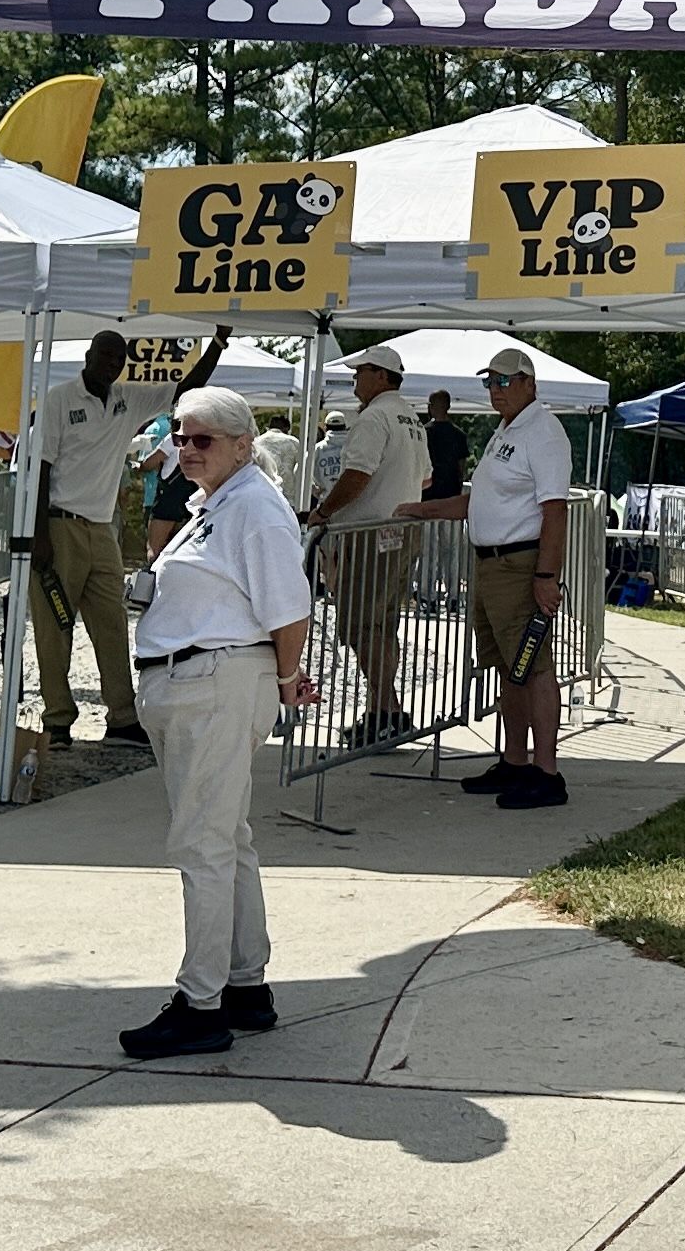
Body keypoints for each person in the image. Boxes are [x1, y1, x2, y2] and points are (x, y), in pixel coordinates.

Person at [118, 388, 321, 1059]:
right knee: (225, 838)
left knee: (203, 843)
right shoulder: (218, 505)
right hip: (198, 681)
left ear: (242, 443)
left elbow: (289, 609)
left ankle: (200, 1001)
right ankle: (243, 983)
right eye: (180, 436)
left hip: (216, 682)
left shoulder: (254, 509)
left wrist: (289, 679)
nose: (186, 449)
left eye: (202, 438)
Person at [399, 344, 574, 807]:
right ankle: (516, 762)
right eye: (488, 382)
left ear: (528, 384)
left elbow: (555, 511)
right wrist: (426, 509)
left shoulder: (544, 432)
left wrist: (546, 575)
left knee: (534, 668)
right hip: (492, 563)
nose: (494, 391)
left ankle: (546, 772)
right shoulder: (506, 431)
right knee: (507, 667)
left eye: (502, 381)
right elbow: (480, 501)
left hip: (519, 563)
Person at [30, 329, 191, 756]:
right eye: (105, 353)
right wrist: (38, 533)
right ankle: (57, 720)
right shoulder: (60, 400)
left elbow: (187, 387)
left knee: (112, 624)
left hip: (102, 529)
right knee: (54, 627)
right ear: (88, 354)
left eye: (119, 356)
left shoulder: (127, 400)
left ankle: (122, 717)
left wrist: (218, 343)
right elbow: (40, 469)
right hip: (59, 525)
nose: (112, 362)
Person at [306, 347, 432, 741]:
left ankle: (385, 711)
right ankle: (383, 710)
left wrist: (324, 511)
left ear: (380, 375)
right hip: (402, 528)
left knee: (363, 625)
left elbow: (357, 474)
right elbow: (426, 478)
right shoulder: (410, 417)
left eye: (359, 373)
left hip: (371, 534)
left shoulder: (375, 417)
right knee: (382, 625)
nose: (355, 380)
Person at [420, 386, 469, 501]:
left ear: (431, 407)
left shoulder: (423, 433)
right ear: (448, 406)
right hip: (451, 492)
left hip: (427, 490)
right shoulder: (459, 435)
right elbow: (461, 467)